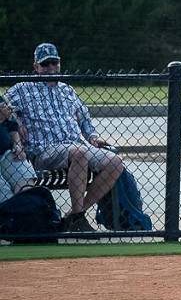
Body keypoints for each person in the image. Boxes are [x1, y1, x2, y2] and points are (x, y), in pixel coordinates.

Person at [4, 43, 124, 232]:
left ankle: (73, 216)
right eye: (46, 64)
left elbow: (84, 118)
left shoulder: (67, 90)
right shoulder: (22, 88)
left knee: (115, 162)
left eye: (55, 63)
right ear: (36, 67)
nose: (51, 68)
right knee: (79, 152)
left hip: (76, 146)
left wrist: (93, 136)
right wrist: (16, 120)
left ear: (60, 63)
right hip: (44, 151)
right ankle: (78, 219)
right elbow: (4, 107)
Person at [0, 95, 36, 203]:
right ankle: (8, 213)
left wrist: (18, 145)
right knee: (4, 195)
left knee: (26, 185)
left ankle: (24, 211)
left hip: (7, 153)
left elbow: (13, 128)